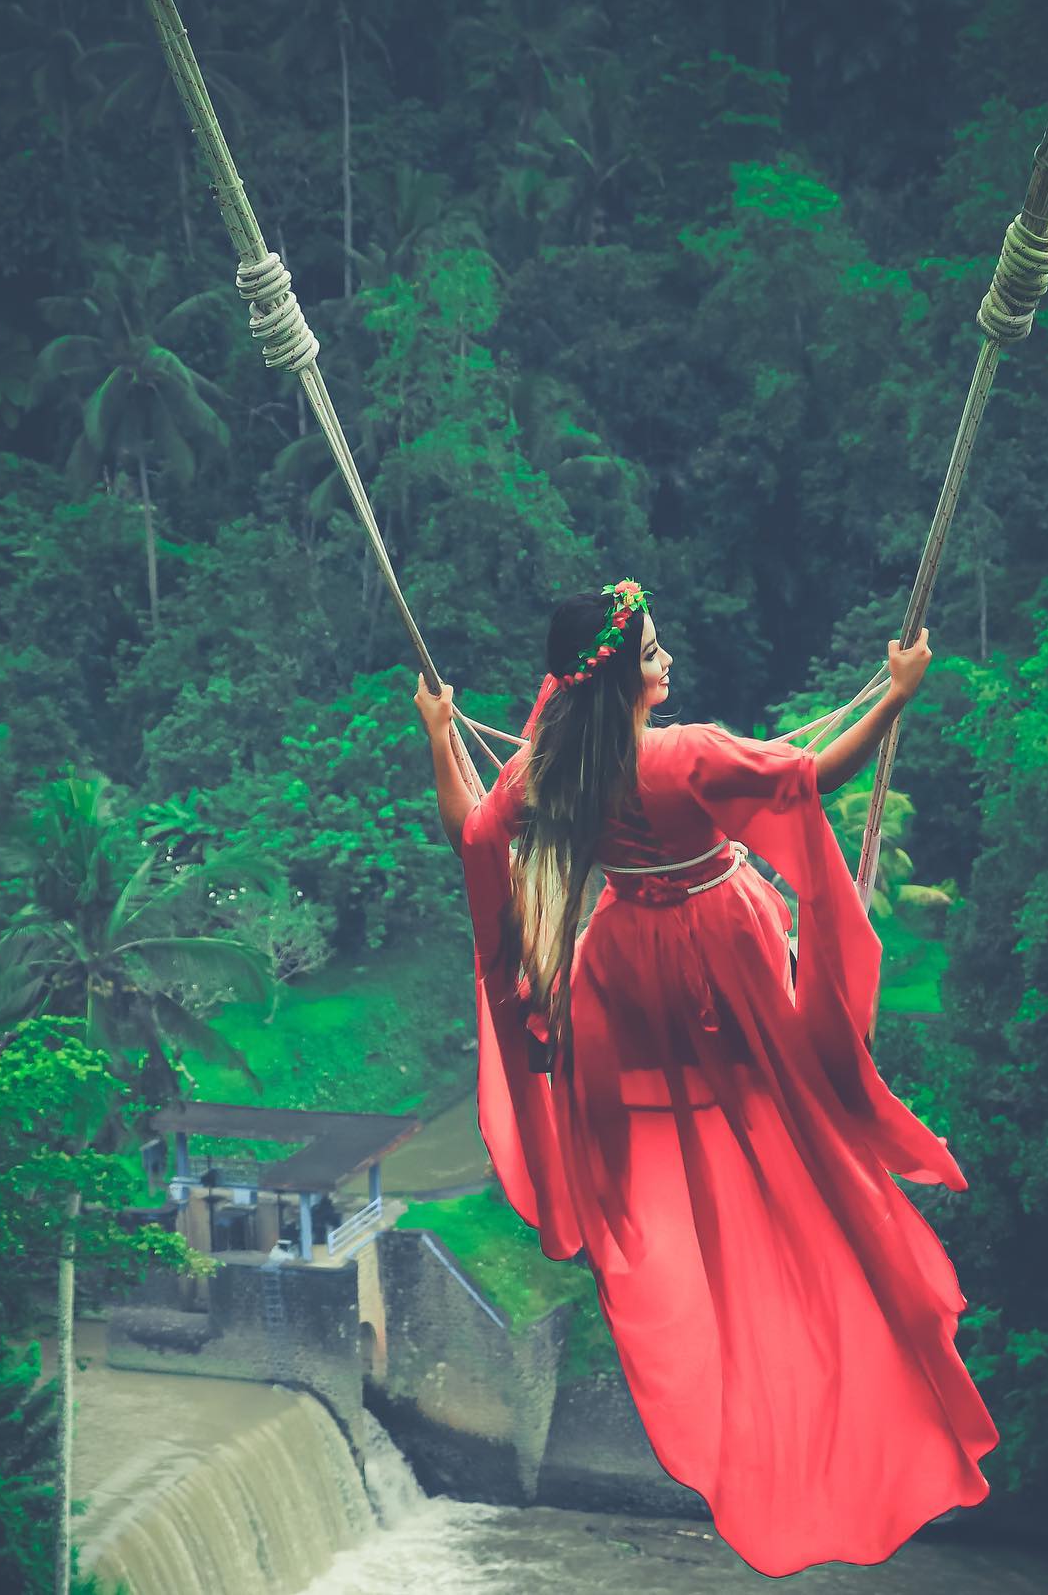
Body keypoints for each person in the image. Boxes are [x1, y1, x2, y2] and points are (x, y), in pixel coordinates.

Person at [413, 580, 998, 1576]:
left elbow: (471, 827)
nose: (667, 659)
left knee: (641, 1117)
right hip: (721, 957)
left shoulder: (550, 772)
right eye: (652, 649)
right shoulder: (685, 754)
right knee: (794, 1098)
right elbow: (810, 775)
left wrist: (438, 730)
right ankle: (775, 1149)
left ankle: (618, 1204)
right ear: (623, 675)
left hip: (627, 976)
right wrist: (896, 695)